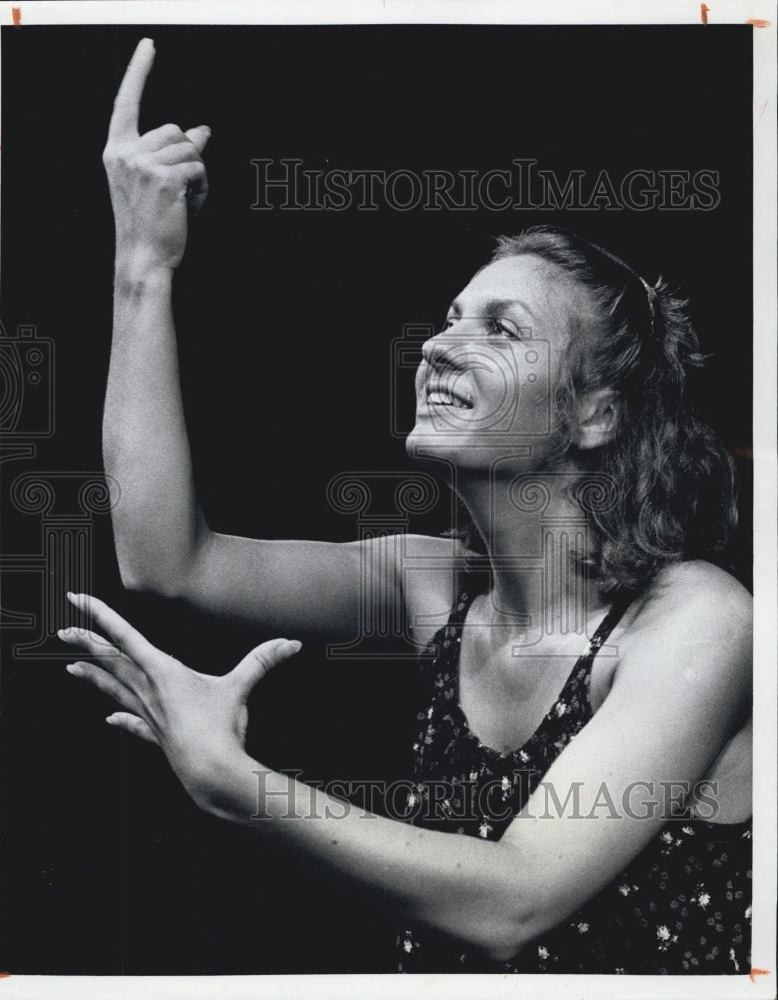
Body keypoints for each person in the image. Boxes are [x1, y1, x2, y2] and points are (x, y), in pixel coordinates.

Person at [59, 38, 752, 975]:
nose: (436, 345)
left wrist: (240, 784)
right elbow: (166, 559)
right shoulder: (425, 584)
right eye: (448, 316)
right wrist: (143, 264)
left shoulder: (696, 621)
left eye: (499, 328)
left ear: (596, 411)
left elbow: (516, 898)